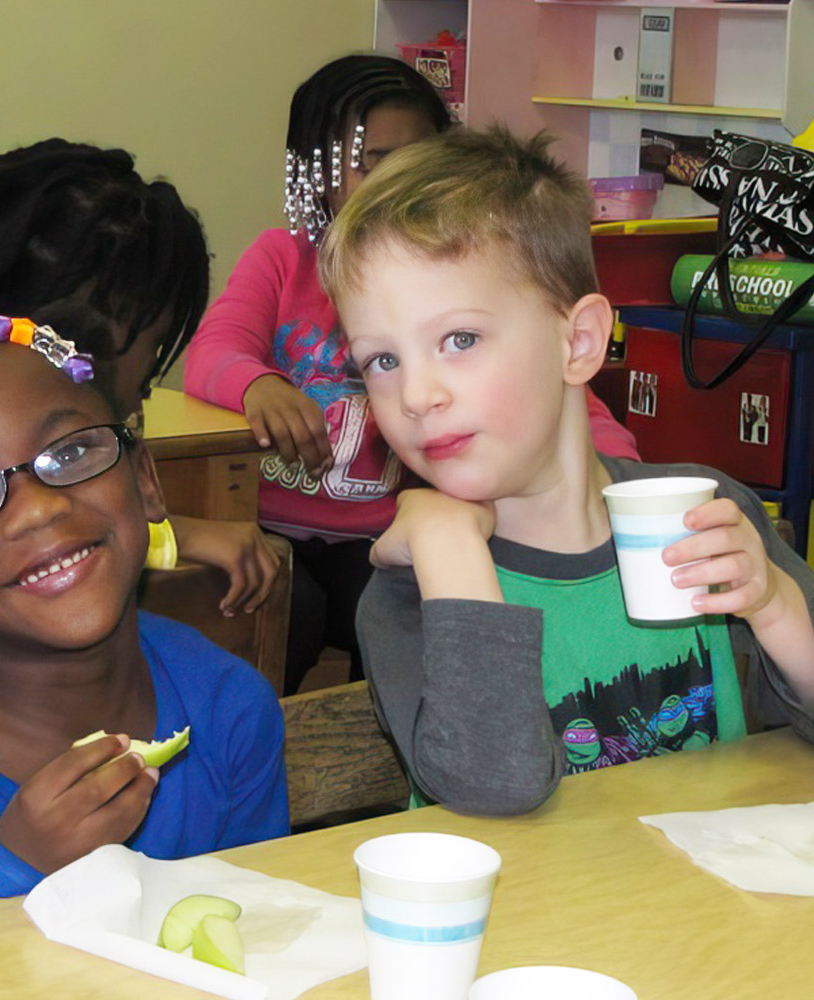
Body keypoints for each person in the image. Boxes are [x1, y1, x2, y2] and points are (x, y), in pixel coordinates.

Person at [317, 126, 814, 816]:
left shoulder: (700, 513)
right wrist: (449, 547)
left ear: (577, 342)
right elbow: (498, 786)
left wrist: (774, 605)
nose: (416, 396)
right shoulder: (411, 593)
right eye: (383, 360)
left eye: (459, 340)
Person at [184, 55, 640, 694]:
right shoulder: (282, 259)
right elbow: (212, 354)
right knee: (284, 613)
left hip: (388, 536)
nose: (397, 178)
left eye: (418, 157)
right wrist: (258, 385)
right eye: (373, 159)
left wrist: (619, 483)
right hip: (275, 527)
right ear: (315, 169)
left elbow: (570, 407)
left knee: (406, 620)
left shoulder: (460, 285)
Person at [0, 314, 288, 927]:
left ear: (144, 482)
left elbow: (266, 935)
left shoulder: (229, 707)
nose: (38, 509)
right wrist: (15, 867)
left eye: (67, 452)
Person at [0, 138, 280, 616]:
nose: (151, 370)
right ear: (95, 340)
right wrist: (180, 536)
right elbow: (28, 538)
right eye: (156, 343)